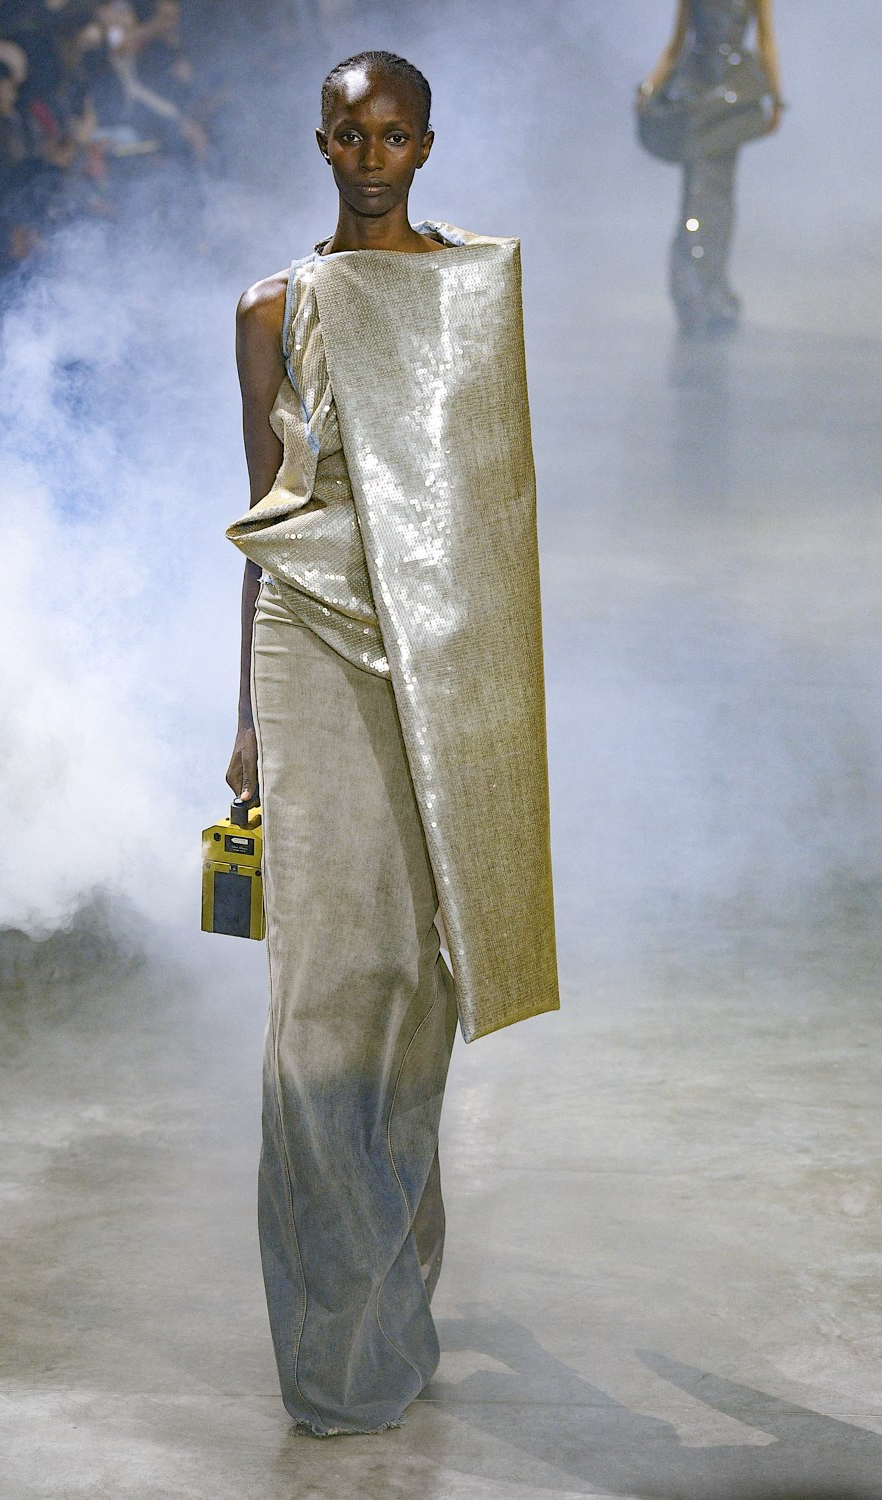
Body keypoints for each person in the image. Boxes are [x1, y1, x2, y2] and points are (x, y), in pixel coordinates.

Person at [224, 50, 558, 1436]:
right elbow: (260, 506)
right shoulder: (271, 306)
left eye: (394, 134)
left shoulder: (473, 294)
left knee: (421, 979)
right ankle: (336, 1361)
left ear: (427, 144)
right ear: (321, 142)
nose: (371, 155)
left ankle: (391, 1295)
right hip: (307, 636)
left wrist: (501, 710)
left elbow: (494, 517)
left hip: (447, 658)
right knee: (321, 987)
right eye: (348, 133)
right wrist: (244, 718)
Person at [638, 0, 783, 336]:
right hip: (700, 94)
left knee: (716, 197)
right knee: (699, 195)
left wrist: (776, 97)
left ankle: (709, 293)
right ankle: (695, 294)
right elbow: (677, 45)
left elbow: (765, 40)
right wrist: (649, 89)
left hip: (732, 97)